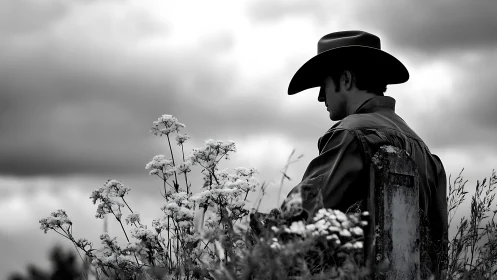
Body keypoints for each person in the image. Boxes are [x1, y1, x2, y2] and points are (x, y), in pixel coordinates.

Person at [282, 30, 449, 277]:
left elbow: (300, 220)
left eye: (324, 84)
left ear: (346, 79)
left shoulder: (349, 134)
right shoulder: (424, 150)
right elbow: (438, 252)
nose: (320, 97)